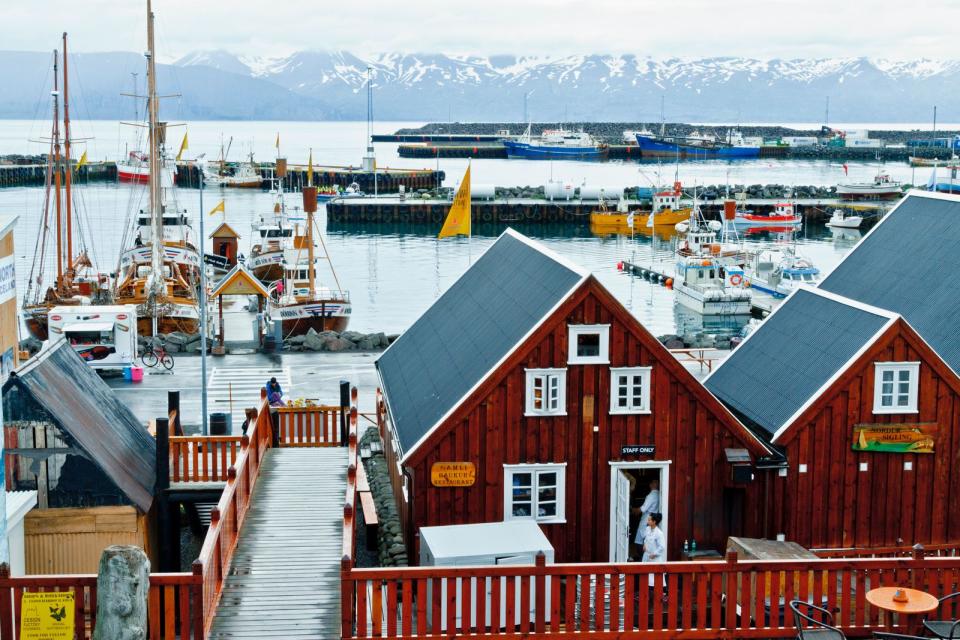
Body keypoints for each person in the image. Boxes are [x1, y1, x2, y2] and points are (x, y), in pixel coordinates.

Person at [641, 512, 667, 590]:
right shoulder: (647, 529)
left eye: (649, 520)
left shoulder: (659, 533)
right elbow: (645, 538)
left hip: (654, 558)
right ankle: (645, 592)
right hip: (646, 556)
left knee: (656, 577)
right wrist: (644, 544)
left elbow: (662, 547)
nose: (647, 521)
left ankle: (661, 593)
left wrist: (654, 554)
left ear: (654, 521)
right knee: (645, 576)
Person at [634, 478, 661, 546]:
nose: (656, 484)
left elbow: (643, 509)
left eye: (656, 482)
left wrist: (634, 510)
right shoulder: (659, 494)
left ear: (650, 485)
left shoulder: (652, 495)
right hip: (653, 518)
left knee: (642, 539)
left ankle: (643, 555)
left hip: (647, 518)